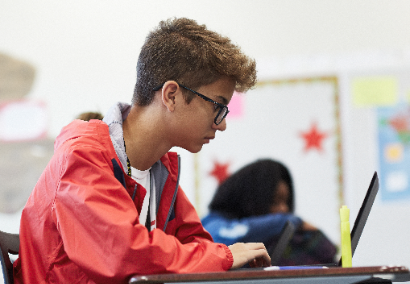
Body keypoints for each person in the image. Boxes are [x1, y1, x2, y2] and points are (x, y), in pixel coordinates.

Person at [13, 18, 270, 284]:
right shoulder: (82, 156)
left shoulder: (159, 170)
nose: (223, 123)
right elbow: (127, 255)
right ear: (171, 95)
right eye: (218, 106)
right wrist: (224, 257)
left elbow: (198, 245)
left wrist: (223, 257)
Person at [202, 159, 337, 266]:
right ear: (250, 198)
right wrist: (292, 221)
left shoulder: (272, 241)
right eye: (275, 201)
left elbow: (328, 254)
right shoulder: (212, 224)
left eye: (286, 202)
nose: (284, 209)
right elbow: (218, 238)